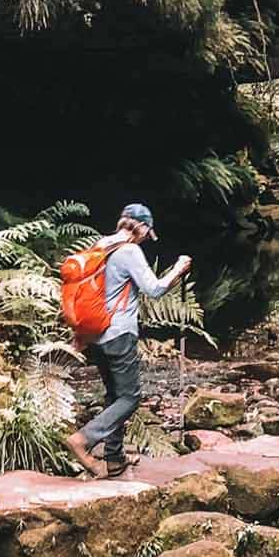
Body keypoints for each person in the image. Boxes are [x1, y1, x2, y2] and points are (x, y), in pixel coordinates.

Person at [66, 202, 190, 477]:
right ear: (142, 227)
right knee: (130, 398)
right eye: (148, 232)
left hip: (95, 334)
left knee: (114, 396)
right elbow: (154, 289)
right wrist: (178, 268)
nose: (147, 237)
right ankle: (83, 440)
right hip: (119, 333)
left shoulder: (100, 246)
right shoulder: (130, 250)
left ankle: (113, 458)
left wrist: (81, 334)